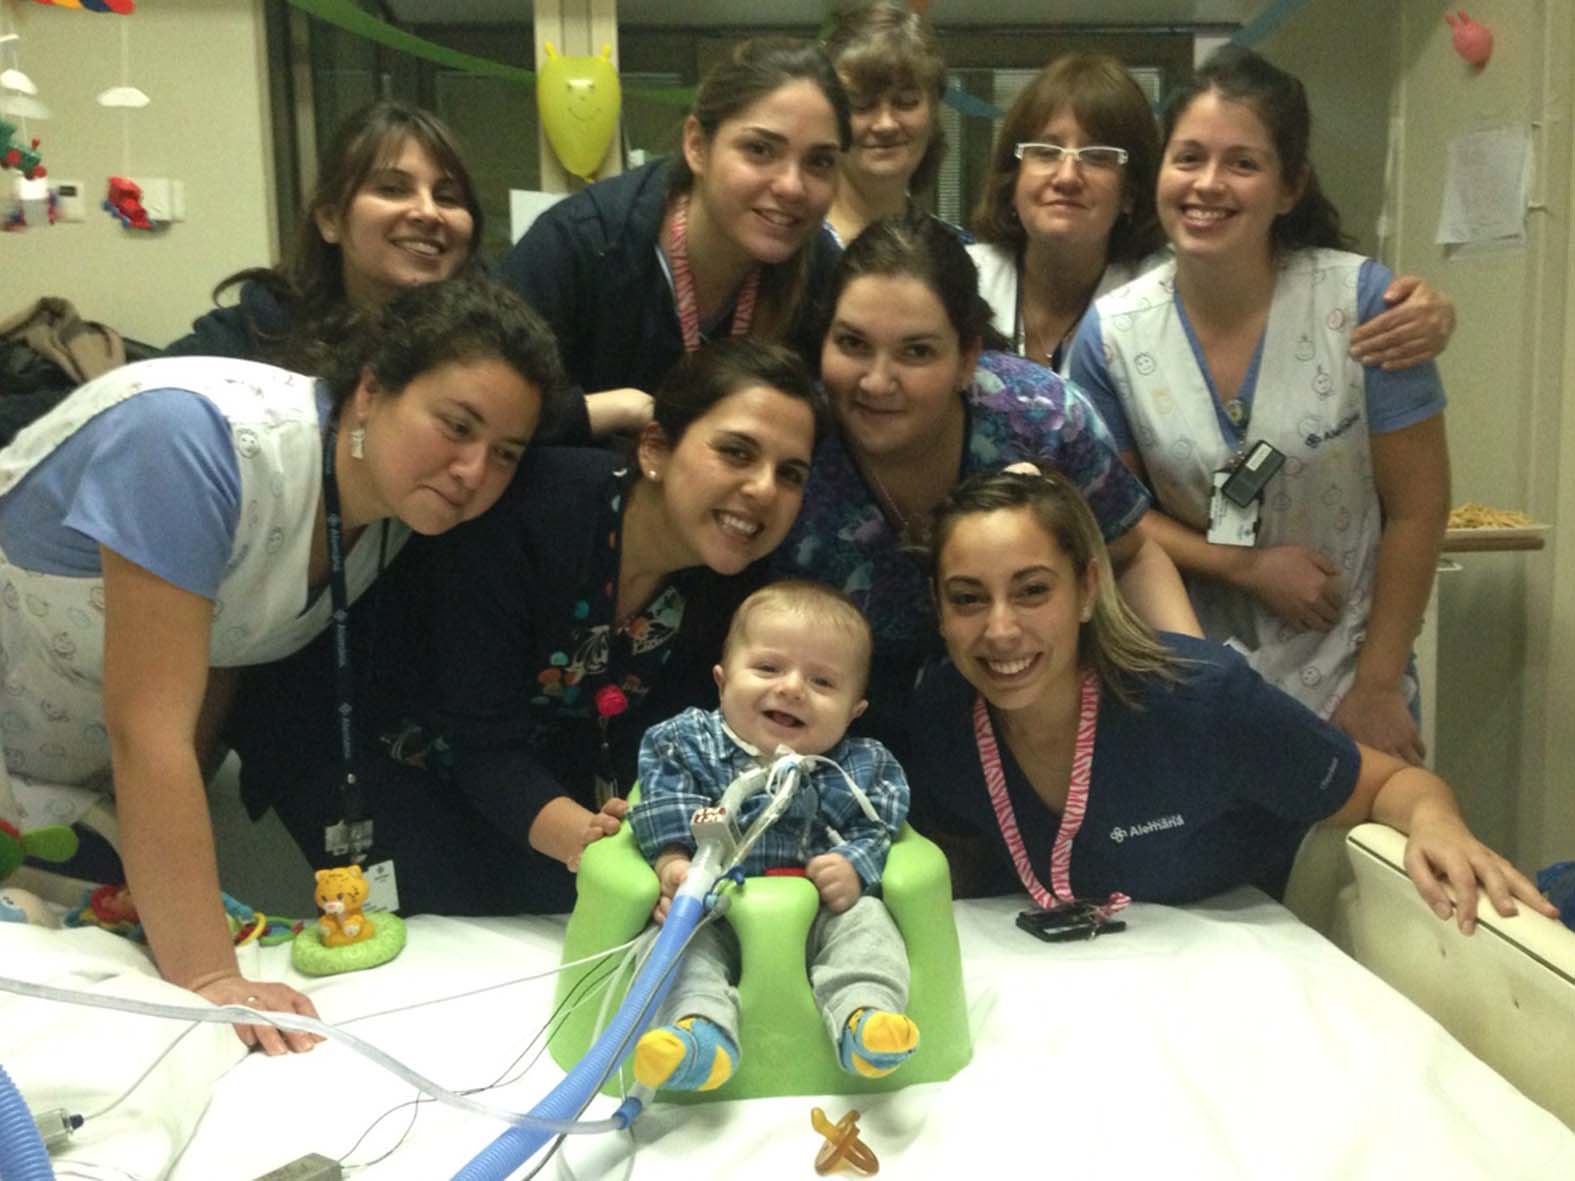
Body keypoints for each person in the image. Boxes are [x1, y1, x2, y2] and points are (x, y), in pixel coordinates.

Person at [0, 276, 564, 1053]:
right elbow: (148, 729)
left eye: (503, 453)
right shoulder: (191, 440)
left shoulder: (392, 514)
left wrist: (157, 882)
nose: (473, 470)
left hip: (71, 793)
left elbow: (221, 653)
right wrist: (209, 976)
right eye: (456, 425)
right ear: (371, 390)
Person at [909, 469, 1556, 930]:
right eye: (967, 598)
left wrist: (1439, 824)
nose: (1000, 629)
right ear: (937, 611)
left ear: (1086, 590)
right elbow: (958, 859)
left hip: (1236, 965)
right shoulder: (941, 715)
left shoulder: (1197, 699)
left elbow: (1395, 784)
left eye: (1031, 591)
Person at [1068, 48, 1447, 763]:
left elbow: (1418, 509)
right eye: (1188, 158)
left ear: (1289, 187)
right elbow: (1112, 515)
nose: (1207, 184)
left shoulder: (1364, 305)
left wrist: (1377, 684)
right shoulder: (1112, 336)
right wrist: (1242, 566)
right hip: (1195, 673)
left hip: (1352, 674)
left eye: (1242, 163)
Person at [357, 339, 826, 918]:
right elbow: (478, 742)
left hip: (550, 799)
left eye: (790, 473)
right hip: (394, 768)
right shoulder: (539, 512)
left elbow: (674, 745)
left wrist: (664, 851)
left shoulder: (737, 584)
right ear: (655, 448)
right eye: (736, 452)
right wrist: (608, 854)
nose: (764, 490)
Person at [774, 212, 1198, 742]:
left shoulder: (1041, 420)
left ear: (967, 358)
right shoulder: (794, 449)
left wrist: (1195, 696)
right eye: (853, 344)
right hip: (842, 733)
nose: (877, 382)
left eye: (916, 351)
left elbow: (1131, 554)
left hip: (1043, 715)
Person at [164, 98, 644, 440]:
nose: (428, 212)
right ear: (330, 219)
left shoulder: (489, 335)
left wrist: (618, 408)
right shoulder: (262, 327)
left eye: (448, 196)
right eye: (393, 189)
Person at [969, 53, 1455, 376]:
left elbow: (1287, 283)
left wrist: (1422, 313)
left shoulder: (1172, 287)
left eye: (1098, 157)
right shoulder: (958, 278)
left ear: (1134, 190)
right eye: (1045, 152)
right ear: (1013, 174)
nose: (1067, 176)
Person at [628, 581, 916, 1091]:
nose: (792, 689)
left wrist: (853, 864)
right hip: (712, 907)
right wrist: (673, 862)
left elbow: (880, 822)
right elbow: (662, 799)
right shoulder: (686, 742)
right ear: (722, 682)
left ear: (854, 711)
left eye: (822, 681)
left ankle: (866, 1018)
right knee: (671, 944)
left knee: (868, 924)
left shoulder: (862, 766)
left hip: (818, 913)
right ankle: (696, 1034)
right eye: (767, 668)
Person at [498, 38, 848, 412]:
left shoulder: (820, 271)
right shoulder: (582, 245)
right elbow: (482, 408)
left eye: (819, 162)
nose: (792, 187)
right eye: (760, 150)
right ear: (696, 145)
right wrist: (609, 413)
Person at [820, 1, 966, 248]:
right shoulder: (787, 250)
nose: (885, 125)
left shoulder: (960, 252)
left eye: (906, 103)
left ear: (933, 112)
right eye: (862, 105)